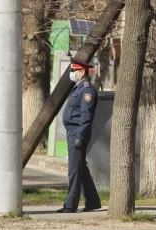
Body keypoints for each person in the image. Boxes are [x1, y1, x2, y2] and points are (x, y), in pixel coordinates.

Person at [57, 57, 101, 213]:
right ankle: (93, 201)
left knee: (74, 169)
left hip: (78, 132)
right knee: (80, 167)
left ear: (82, 72)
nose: (72, 73)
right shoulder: (78, 88)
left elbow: (85, 116)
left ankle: (70, 205)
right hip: (73, 131)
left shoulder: (87, 89)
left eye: (74, 70)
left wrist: (79, 136)